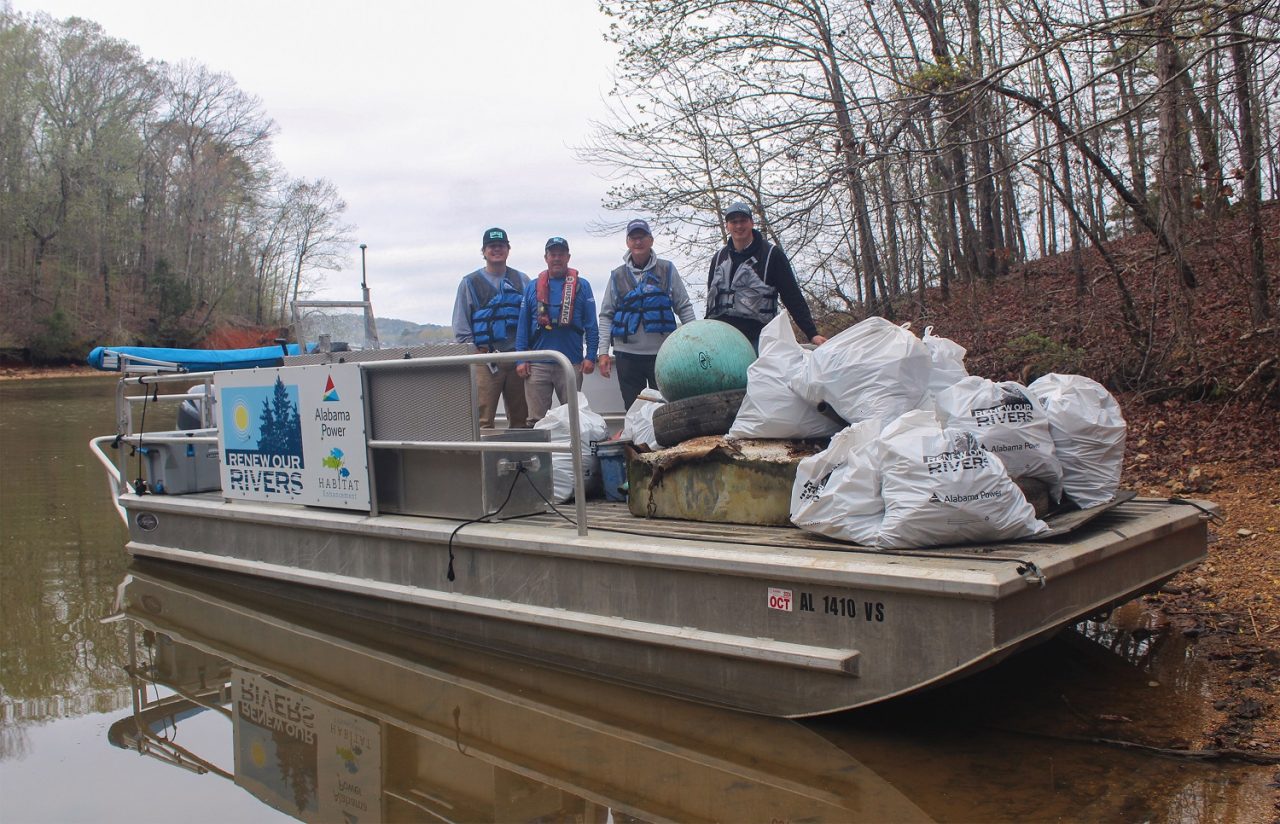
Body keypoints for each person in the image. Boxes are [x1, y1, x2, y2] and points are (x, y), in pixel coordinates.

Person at [596, 219, 696, 408]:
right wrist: (603, 353)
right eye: (633, 238)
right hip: (627, 355)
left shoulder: (667, 269)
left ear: (651, 240)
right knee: (633, 409)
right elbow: (606, 315)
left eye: (642, 237)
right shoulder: (617, 275)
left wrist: (696, 342)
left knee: (667, 407)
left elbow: (683, 307)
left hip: (662, 354)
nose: (638, 242)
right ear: (627, 242)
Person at [705, 200, 827, 348]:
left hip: (758, 338)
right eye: (734, 222)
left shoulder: (772, 255)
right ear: (727, 226)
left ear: (751, 223)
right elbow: (711, 300)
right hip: (721, 337)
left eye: (743, 221)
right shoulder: (719, 258)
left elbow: (792, 296)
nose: (738, 226)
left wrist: (812, 333)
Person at [451, 227, 531, 429]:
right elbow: (461, 324)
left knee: (521, 420)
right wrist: (475, 354)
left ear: (508, 249)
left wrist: (527, 354)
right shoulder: (469, 283)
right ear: (484, 251)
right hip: (485, 360)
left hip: (517, 359)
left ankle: (520, 449)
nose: (497, 250)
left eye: (501, 246)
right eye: (492, 246)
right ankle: (484, 450)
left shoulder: (522, 280)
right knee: (483, 421)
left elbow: (532, 319)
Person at [515, 237, 599, 422]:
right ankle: (539, 442)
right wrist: (521, 359)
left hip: (571, 363)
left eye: (561, 254)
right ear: (546, 258)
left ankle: (572, 442)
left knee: (573, 418)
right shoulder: (532, 287)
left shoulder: (582, 286)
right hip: (537, 364)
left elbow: (591, 325)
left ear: (568, 257)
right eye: (553, 254)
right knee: (536, 420)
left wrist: (591, 356)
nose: (557, 258)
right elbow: (522, 326)